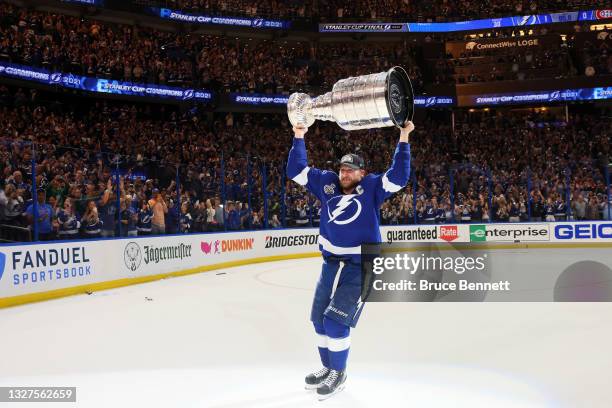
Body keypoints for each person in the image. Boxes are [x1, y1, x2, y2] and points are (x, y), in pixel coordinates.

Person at [286, 120, 414, 400]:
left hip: (361, 264)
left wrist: (404, 136)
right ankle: (327, 367)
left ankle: (339, 374)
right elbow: (295, 170)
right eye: (342, 169)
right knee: (319, 320)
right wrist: (299, 135)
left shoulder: (372, 187)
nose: (344, 173)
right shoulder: (327, 183)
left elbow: (399, 176)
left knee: (335, 322)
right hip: (331, 261)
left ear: (362, 172)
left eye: (350, 170)